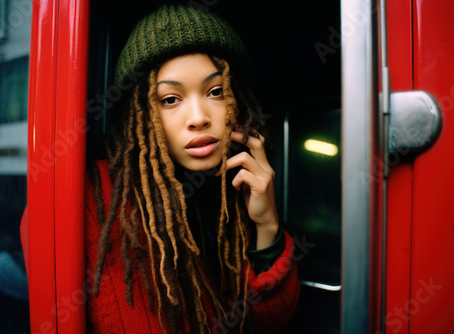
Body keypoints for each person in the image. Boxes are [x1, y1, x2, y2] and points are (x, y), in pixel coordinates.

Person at [25, 3, 300, 333]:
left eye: (216, 91)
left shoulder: (232, 185)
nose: (199, 117)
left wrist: (266, 223)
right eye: (170, 99)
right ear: (139, 114)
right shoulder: (87, 199)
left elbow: (264, 323)